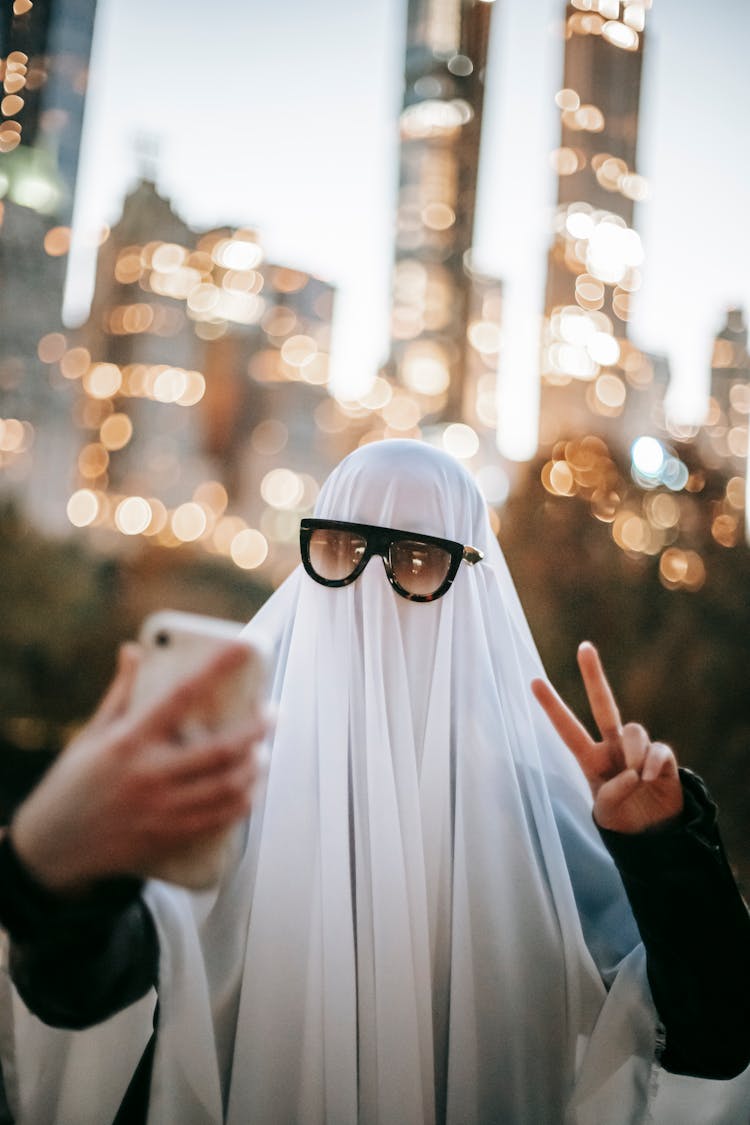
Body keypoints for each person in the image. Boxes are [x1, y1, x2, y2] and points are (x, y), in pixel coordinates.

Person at [1, 438, 749, 1124]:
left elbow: (715, 1036)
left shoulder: (539, 815)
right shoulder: (221, 789)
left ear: (472, 584)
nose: (368, 588)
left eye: (417, 559)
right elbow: (80, 992)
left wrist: (662, 846)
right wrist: (55, 862)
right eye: (339, 546)